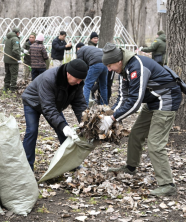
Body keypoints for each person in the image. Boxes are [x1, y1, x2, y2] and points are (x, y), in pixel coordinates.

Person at [100, 43, 182, 196]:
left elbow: (135, 102)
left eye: (110, 65)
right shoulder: (123, 69)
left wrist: (112, 118)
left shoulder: (137, 67)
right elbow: (122, 97)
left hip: (166, 98)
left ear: (118, 61)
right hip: (153, 100)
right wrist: (109, 115)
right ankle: (130, 168)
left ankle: (167, 184)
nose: (108, 69)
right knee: (136, 134)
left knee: (155, 143)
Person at [22, 59, 88, 171]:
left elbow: (79, 104)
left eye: (81, 80)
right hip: (33, 102)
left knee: (64, 133)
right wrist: (63, 126)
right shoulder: (49, 79)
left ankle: (72, 164)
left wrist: (87, 123)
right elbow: (48, 107)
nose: (79, 82)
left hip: (52, 105)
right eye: (77, 79)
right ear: (68, 73)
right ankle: (26, 167)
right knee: (32, 131)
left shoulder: (77, 83)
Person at [3, 27, 22, 92]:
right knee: (14, 74)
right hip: (13, 60)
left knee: (8, 73)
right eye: (19, 33)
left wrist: (22, 50)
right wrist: (18, 58)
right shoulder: (15, 39)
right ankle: (12, 88)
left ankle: (6, 87)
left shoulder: (7, 38)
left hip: (6, 60)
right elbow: (15, 50)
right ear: (17, 33)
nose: (19, 34)